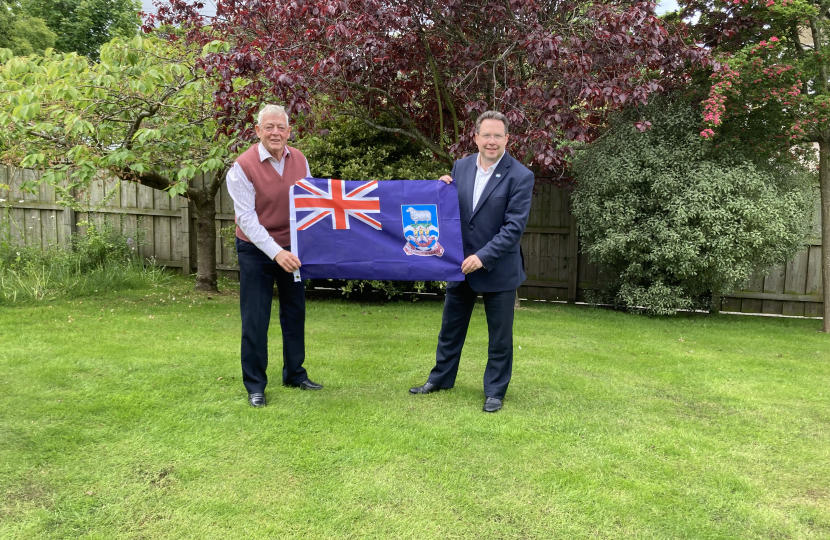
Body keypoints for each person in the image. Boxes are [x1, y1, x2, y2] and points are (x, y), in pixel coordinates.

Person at [409, 111, 534, 413]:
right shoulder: (460, 167)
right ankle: (440, 379)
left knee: (500, 336)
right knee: (450, 329)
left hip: (497, 268)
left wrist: (483, 257)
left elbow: (513, 228)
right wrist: (439, 190)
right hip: (460, 267)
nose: (491, 141)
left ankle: (494, 391)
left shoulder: (521, 176)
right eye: (486, 135)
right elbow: (451, 211)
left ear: (507, 139)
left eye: (497, 136)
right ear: (475, 137)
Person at [226, 104, 323, 408]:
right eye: (268, 127)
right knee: (255, 319)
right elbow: (246, 219)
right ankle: (255, 385)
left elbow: (309, 203)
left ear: (289, 131)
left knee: (294, 314)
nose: (275, 133)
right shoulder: (242, 167)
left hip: (292, 250)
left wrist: (305, 245)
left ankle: (295, 373)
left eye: (280, 127)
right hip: (256, 251)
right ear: (257, 131)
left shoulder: (301, 160)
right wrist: (276, 252)